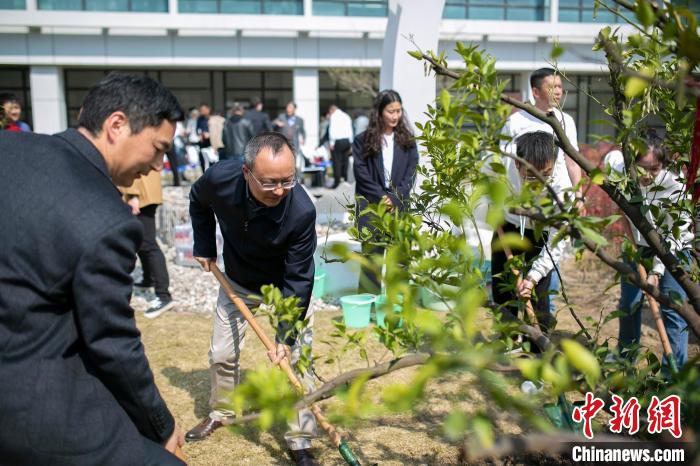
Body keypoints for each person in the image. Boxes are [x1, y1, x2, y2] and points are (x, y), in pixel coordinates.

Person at [0, 73, 185, 465]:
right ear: (116, 125)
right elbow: (113, 345)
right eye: (157, 148)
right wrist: (161, 426)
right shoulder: (107, 219)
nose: (157, 166)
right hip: (27, 404)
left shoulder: (10, 145)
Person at [187, 132, 318, 466]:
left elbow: (299, 280)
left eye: (287, 181)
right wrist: (204, 245)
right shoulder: (219, 179)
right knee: (221, 354)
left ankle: (300, 439)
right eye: (269, 182)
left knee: (297, 362)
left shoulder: (301, 211)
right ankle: (222, 412)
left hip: (284, 288)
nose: (279, 191)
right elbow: (198, 200)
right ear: (247, 173)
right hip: (238, 281)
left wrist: (285, 337)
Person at [604, 131, 692, 367]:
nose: (647, 176)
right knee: (628, 304)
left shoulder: (673, 190)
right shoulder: (623, 170)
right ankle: (626, 354)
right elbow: (610, 158)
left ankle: (673, 372)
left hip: (673, 250)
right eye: (642, 168)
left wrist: (656, 272)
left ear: (663, 165)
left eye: (654, 169)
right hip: (638, 245)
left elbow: (671, 239)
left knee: (672, 309)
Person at [502, 67, 582, 316]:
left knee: (543, 280)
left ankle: (539, 339)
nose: (558, 90)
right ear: (535, 91)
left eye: (560, 86)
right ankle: (509, 337)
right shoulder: (516, 121)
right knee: (507, 284)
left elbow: (572, 160)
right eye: (552, 86)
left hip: (549, 208)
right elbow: (502, 163)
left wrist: (578, 195)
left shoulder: (565, 121)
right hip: (516, 214)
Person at [488, 131, 569, 333]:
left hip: (542, 231)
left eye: (546, 173)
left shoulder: (562, 189)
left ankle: (538, 347)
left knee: (538, 292)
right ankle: (507, 338)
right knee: (503, 286)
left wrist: (533, 277)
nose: (540, 180)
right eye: (532, 174)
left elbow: (558, 240)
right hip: (508, 224)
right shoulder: (505, 163)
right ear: (518, 164)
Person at [353, 90, 419, 294]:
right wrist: (381, 197)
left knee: (399, 258)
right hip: (372, 205)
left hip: (399, 204)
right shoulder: (363, 140)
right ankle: (369, 303)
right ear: (380, 112)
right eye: (391, 111)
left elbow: (411, 172)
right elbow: (361, 172)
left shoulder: (407, 140)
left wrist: (394, 198)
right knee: (372, 257)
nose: (395, 116)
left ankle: (398, 304)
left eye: (398, 111)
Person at [120, 169, 176, 318]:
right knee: (142, 241)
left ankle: (164, 295)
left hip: (140, 193)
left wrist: (133, 194)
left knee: (148, 244)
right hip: (144, 191)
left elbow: (134, 159)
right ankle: (148, 279)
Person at [327, 104, 354, 188]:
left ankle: (337, 183)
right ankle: (345, 180)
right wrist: (351, 143)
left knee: (337, 162)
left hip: (337, 141)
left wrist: (331, 143)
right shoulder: (346, 116)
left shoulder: (333, 116)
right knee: (345, 161)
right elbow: (350, 130)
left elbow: (332, 130)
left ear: (332, 110)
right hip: (347, 141)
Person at [197, 103, 212, 172]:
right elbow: (197, 129)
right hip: (202, 143)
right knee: (203, 161)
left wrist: (210, 134)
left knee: (211, 162)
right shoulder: (200, 119)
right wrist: (200, 134)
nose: (201, 111)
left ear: (208, 109)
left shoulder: (212, 119)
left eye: (203, 110)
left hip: (211, 144)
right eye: (201, 110)